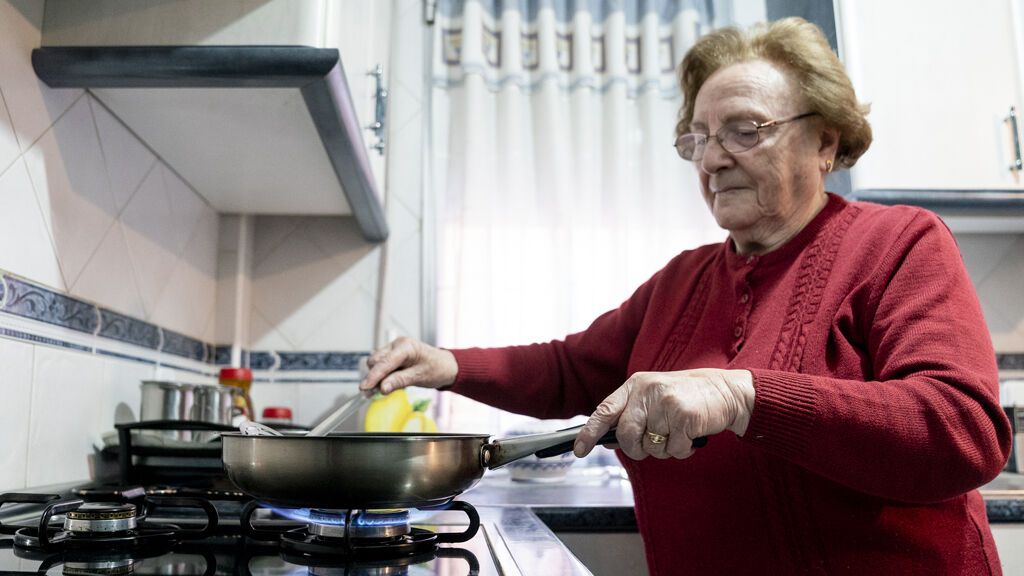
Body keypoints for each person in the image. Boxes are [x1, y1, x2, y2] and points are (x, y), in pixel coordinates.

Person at [360, 17, 1011, 574]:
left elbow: (962, 429)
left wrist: (741, 395)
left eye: (745, 130)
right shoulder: (683, 280)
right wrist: (449, 365)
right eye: (698, 138)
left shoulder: (898, 242)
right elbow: (570, 369)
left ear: (825, 141)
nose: (712, 159)